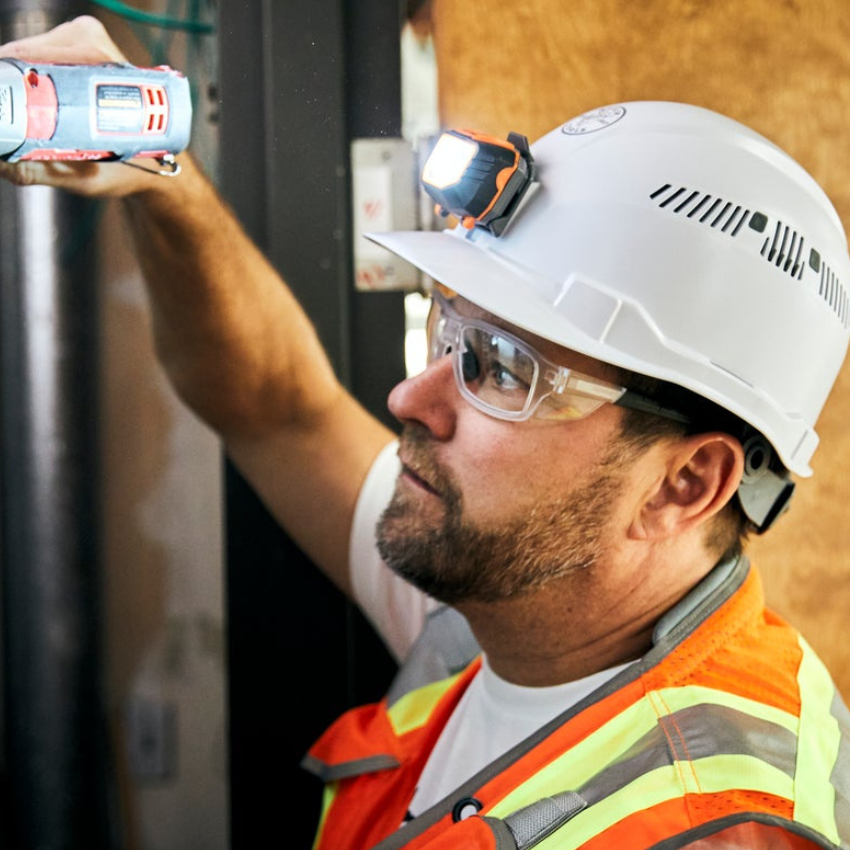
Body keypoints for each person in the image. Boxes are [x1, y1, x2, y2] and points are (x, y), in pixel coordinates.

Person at [2, 16, 849, 850]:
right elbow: (276, 407)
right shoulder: (516, 603)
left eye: (503, 369)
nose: (412, 395)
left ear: (683, 485)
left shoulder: (705, 828)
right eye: (448, 332)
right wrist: (161, 167)